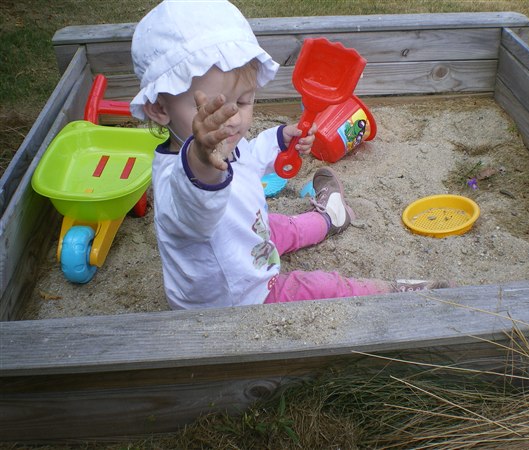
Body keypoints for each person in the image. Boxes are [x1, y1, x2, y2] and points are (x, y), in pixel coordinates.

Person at [130, 0, 452, 310]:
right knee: (322, 287)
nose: (233, 119)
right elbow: (197, 209)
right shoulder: (181, 178)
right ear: (159, 108)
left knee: (283, 227)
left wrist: (280, 139)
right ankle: (392, 295)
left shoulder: (224, 142)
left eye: (243, 102)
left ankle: (330, 218)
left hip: (249, 239)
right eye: (211, 109)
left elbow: (249, 156)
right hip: (236, 298)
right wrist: (202, 162)